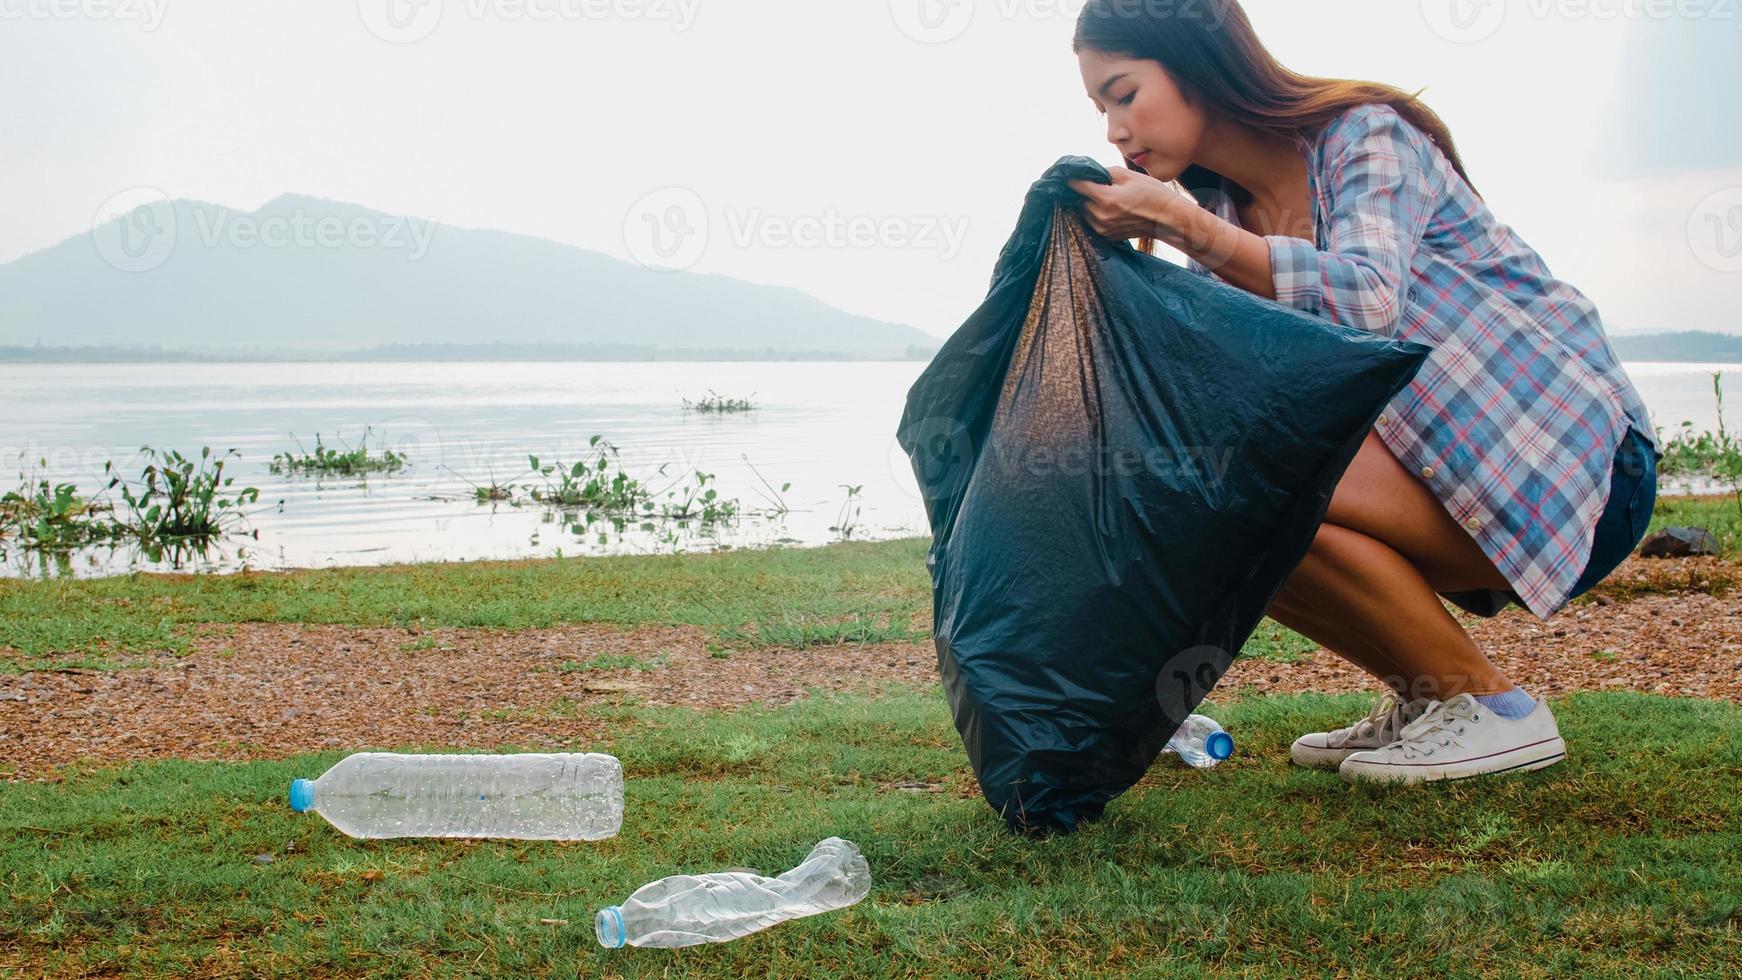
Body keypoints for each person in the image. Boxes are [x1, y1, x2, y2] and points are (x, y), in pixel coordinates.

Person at [1066, 0, 1661, 784]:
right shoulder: (1217, 226)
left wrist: (1184, 229)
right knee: (1211, 506)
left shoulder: (1363, 135)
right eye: (1099, 107)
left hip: (1577, 467)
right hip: (1441, 477)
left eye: (1123, 92)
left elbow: (1368, 299)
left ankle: (1493, 709)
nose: (1113, 129)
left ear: (1198, 66)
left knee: (1243, 476)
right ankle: (1433, 694)